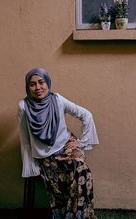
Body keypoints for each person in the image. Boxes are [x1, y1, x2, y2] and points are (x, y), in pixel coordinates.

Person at [18, 67, 99, 219]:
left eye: (41, 82)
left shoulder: (58, 100)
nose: (38, 88)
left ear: (47, 83)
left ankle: (81, 216)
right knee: (58, 187)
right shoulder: (23, 107)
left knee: (81, 170)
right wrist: (31, 166)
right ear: (27, 87)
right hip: (45, 155)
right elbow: (25, 139)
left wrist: (81, 142)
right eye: (32, 84)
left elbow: (86, 115)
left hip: (66, 146)